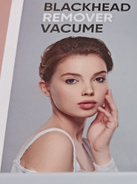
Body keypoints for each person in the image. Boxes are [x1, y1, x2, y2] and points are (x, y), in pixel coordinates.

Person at [12, 37, 119, 173]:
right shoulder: (55, 143)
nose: (89, 90)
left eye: (99, 79)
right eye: (71, 81)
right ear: (46, 88)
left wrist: (101, 152)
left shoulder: (85, 145)